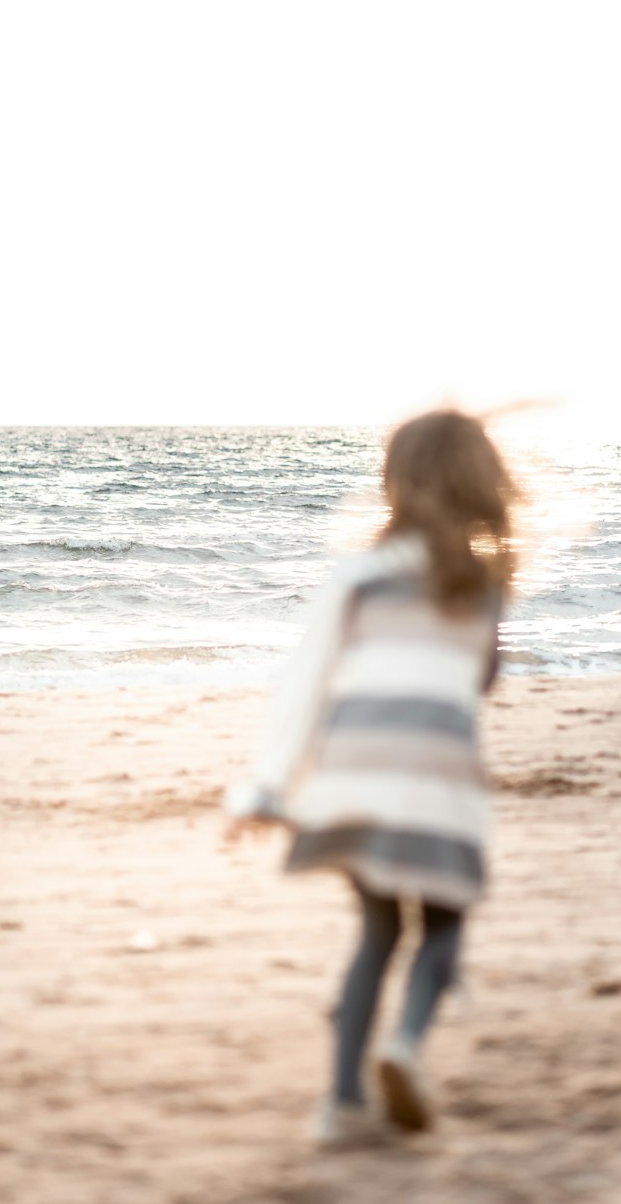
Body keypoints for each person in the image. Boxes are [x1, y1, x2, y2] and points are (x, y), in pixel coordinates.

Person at [225, 409, 517, 1148]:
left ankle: (341, 1102)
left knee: (377, 930)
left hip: (355, 776)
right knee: (445, 924)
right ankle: (406, 1044)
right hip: (440, 781)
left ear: (394, 483)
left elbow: (305, 683)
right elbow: (481, 680)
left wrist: (263, 788)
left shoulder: (356, 578)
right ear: (482, 485)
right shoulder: (482, 587)